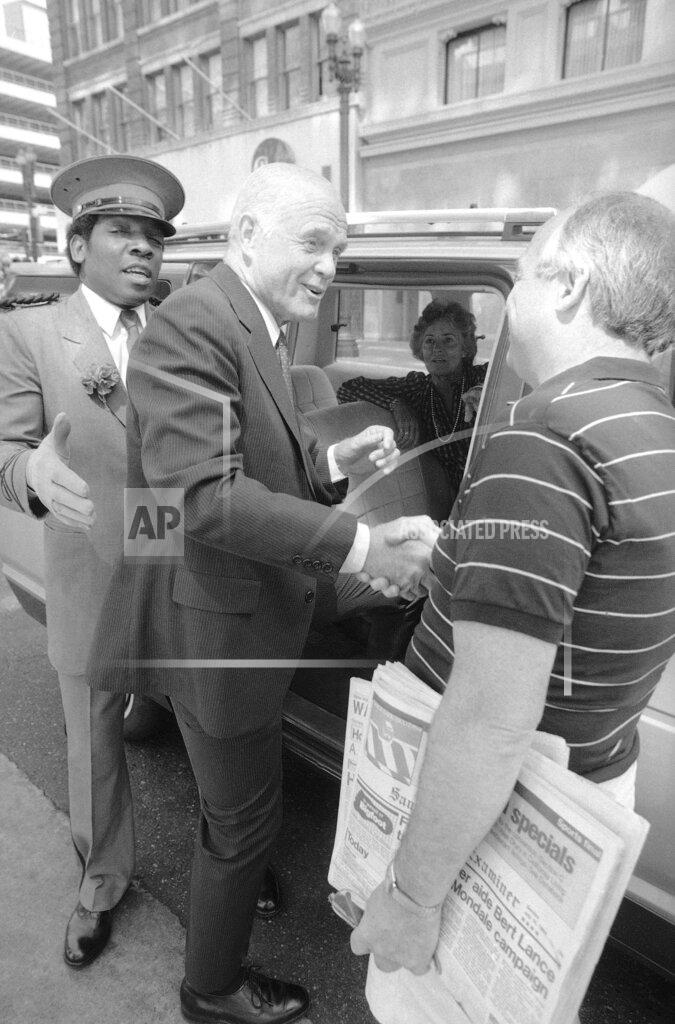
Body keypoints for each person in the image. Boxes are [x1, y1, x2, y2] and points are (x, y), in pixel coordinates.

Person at [87, 162, 437, 1024]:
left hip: (233, 606)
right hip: (215, 626)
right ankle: (211, 989)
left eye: (337, 249)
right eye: (313, 242)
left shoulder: (250, 321)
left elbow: (247, 457)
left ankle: (230, 903)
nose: (329, 265)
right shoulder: (196, 323)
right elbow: (204, 496)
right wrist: (365, 544)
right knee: (244, 823)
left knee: (234, 812)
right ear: (248, 235)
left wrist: (330, 461)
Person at [350, 192, 675, 980]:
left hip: (500, 813)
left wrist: (411, 896)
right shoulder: (651, 426)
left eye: (523, 275)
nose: (510, 304)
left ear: (567, 287)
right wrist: (457, 556)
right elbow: (590, 595)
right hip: (590, 782)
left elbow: (490, 718)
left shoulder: (545, 436)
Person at [0, 156, 185, 968]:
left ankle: (233, 857)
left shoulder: (179, 328)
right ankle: (102, 880)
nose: (143, 248)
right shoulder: (32, 332)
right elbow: (6, 451)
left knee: (203, 715)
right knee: (94, 735)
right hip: (88, 554)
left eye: (153, 236)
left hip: (173, 543)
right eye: (122, 232)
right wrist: (30, 478)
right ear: (78, 246)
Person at [337, 299, 487, 506]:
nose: (437, 349)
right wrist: (397, 405)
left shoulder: (482, 377)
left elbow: (504, 379)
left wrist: (482, 390)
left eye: (448, 340)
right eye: (430, 341)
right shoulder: (418, 387)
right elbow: (348, 388)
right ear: (420, 349)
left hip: (491, 489)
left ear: (465, 349)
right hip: (455, 502)